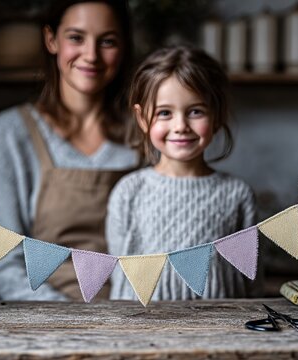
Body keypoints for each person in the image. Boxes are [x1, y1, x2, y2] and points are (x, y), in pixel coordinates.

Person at [0, 0, 138, 301]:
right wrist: (70, 324)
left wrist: (126, 320)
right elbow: (6, 262)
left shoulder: (148, 132)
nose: (91, 55)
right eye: (76, 38)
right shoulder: (11, 133)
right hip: (45, 322)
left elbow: (163, 250)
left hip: (138, 313)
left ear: (123, 48)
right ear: (51, 40)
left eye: (107, 41)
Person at [106, 46, 260, 301]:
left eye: (195, 111)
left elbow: (252, 277)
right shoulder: (128, 191)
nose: (180, 126)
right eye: (164, 113)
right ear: (142, 118)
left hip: (221, 328)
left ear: (218, 115)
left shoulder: (237, 193)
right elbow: (118, 273)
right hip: (142, 329)